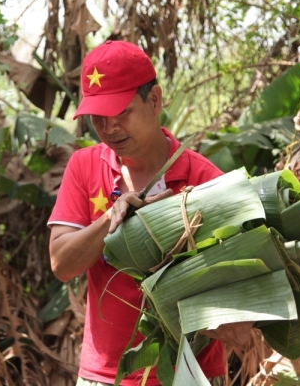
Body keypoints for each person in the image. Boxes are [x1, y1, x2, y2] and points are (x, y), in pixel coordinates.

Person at [48, 40, 227, 386]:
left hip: (191, 376)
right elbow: (61, 264)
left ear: (155, 100)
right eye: (98, 118)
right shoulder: (84, 167)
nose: (109, 128)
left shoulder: (205, 180)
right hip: (106, 376)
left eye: (121, 112)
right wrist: (109, 221)